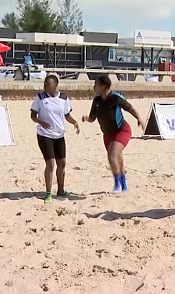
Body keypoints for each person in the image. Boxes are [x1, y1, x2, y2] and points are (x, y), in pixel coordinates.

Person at [82, 75, 146, 192]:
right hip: (107, 134)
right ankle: (124, 185)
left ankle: (116, 184)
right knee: (118, 159)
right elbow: (92, 117)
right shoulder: (97, 100)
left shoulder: (115, 98)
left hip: (122, 130)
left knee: (112, 155)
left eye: (96, 84)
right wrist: (87, 118)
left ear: (104, 86)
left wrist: (140, 119)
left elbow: (130, 108)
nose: (94, 86)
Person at [31, 75, 81, 203]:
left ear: (55, 85)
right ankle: (48, 193)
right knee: (50, 164)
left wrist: (74, 122)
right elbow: (33, 115)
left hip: (59, 135)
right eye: (45, 84)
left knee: (62, 163)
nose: (45, 86)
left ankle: (60, 190)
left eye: (48, 84)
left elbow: (67, 115)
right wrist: (40, 121)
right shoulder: (40, 97)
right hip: (44, 135)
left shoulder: (63, 98)